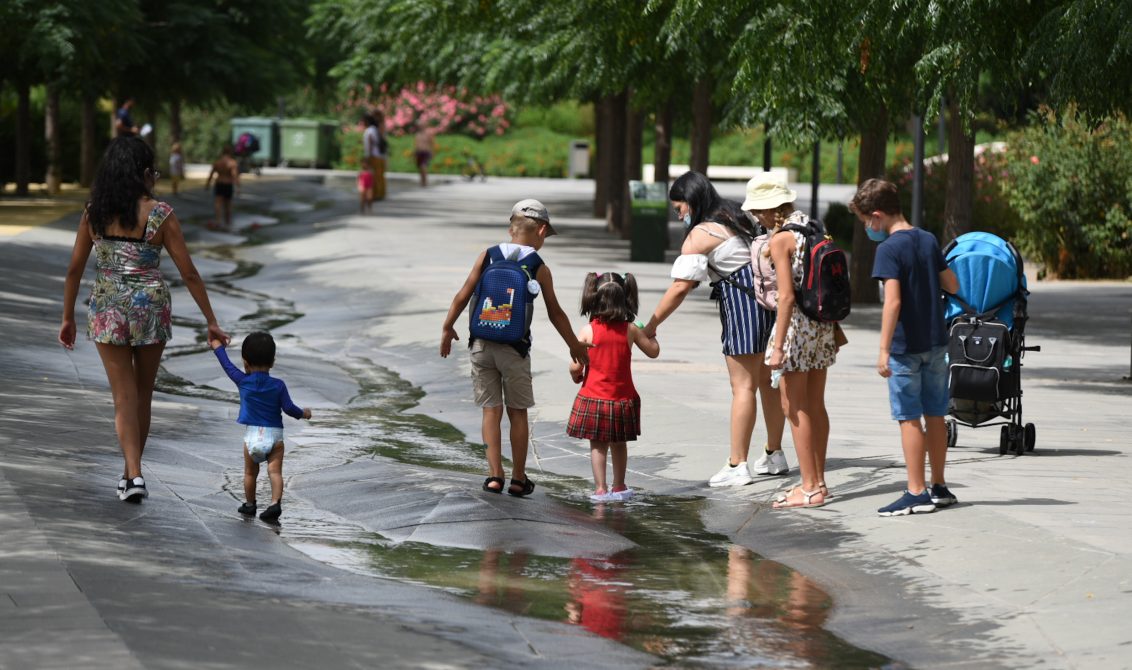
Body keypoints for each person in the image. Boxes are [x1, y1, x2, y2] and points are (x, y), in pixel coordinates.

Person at [59, 136, 229, 502]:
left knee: (123, 398)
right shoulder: (160, 214)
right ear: (144, 173)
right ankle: (131, 475)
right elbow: (190, 274)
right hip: (150, 307)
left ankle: (132, 474)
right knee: (143, 396)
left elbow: (74, 270)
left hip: (107, 307)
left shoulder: (94, 212)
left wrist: (67, 317)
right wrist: (211, 320)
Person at [641, 171, 786, 488]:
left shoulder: (701, 233)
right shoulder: (736, 214)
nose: (678, 215)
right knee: (767, 381)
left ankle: (737, 463)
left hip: (742, 305)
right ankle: (774, 454)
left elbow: (681, 287)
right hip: (768, 302)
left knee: (743, 387)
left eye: (679, 209)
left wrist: (650, 326)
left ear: (691, 202)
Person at [440, 199, 591, 497]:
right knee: (517, 412)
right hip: (515, 349)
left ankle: (494, 475)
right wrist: (574, 345)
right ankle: (519, 478)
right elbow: (555, 312)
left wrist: (447, 327)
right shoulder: (537, 265)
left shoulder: (488, 256)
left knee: (490, 411)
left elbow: (463, 294)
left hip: (481, 344)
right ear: (542, 230)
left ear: (511, 228)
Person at [850, 178, 960, 516]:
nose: (868, 228)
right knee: (936, 414)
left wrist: (883, 350)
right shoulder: (927, 239)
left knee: (909, 417)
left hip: (905, 347)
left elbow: (892, 302)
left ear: (878, 215)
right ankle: (939, 485)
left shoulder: (888, 249)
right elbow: (952, 284)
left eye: (867, 221)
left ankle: (916, 491)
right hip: (935, 342)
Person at [749, 173, 837, 509]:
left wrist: (777, 345)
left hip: (797, 329)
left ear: (771, 209)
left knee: (793, 407)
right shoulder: (814, 226)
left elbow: (785, 297)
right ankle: (820, 482)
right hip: (822, 326)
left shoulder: (781, 239)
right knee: (816, 404)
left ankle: (809, 487)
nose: (756, 217)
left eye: (758, 211)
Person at [567, 272, 660, 502]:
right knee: (619, 444)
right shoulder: (631, 329)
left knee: (598, 446)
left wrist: (576, 375)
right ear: (625, 297)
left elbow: (575, 366)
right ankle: (619, 486)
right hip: (622, 398)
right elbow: (653, 352)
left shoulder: (588, 330)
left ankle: (600, 489)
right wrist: (653, 334)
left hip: (593, 397)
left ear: (594, 298)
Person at [208, 331, 312, 522]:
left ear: (245, 362)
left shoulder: (242, 380)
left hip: (252, 437)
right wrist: (303, 413)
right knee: (275, 472)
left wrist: (217, 346)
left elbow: (227, 365)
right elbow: (289, 408)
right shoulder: (278, 385)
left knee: (249, 472)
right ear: (273, 361)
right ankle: (274, 504)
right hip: (274, 436)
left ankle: (249, 504)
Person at [205, 143, 239, 231]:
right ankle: (228, 222)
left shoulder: (217, 162)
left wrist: (207, 184)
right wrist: (238, 187)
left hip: (219, 183)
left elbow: (211, 174)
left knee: (218, 203)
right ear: (230, 152)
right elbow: (234, 175)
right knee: (228, 204)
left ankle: (218, 221)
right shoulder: (232, 163)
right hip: (228, 184)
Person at [363, 112, 387, 201]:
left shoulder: (369, 130)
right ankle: (380, 193)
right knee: (379, 176)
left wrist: (367, 156)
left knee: (374, 176)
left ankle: (375, 194)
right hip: (380, 155)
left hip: (373, 155)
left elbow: (370, 143)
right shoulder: (375, 129)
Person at [414, 123, 436, 187]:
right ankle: (422, 181)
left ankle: (425, 181)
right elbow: (416, 145)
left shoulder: (428, 134)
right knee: (420, 167)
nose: (421, 127)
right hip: (419, 152)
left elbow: (432, 143)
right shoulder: (417, 134)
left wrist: (433, 151)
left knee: (423, 166)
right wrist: (415, 153)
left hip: (426, 152)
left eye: (422, 126)